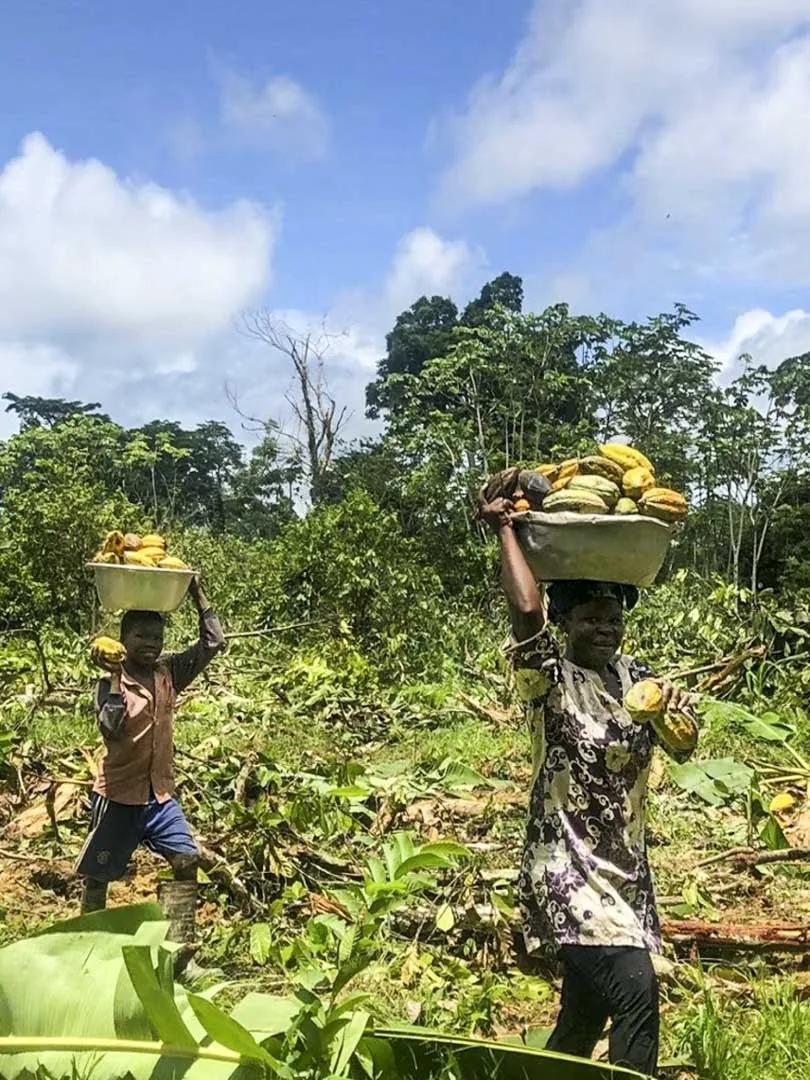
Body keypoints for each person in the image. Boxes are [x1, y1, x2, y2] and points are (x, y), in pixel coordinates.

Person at [478, 475, 697, 1078]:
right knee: (634, 991)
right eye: (591, 619)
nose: (606, 629)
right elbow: (525, 611)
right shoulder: (547, 679)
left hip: (625, 873)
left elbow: (684, 746)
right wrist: (503, 527)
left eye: (614, 620)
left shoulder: (636, 679)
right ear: (566, 621)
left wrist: (677, 710)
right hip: (566, 871)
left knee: (581, 1019)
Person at [75, 575, 225, 941]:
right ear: (124, 640)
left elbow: (214, 641)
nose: (150, 644)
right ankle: (87, 940)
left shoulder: (168, 674)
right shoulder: (111, 683)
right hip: (118, 796)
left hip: (159, 796)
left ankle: (179, 947)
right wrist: (113, 677)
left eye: (156, 638)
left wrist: (195, 590)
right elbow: (110, 728)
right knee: (99, 875)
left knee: (187, 859)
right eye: (141, 636)